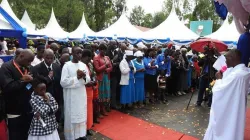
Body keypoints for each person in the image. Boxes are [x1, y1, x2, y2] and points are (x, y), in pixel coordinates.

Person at [204, 49, 250, 140]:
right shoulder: (244, 71)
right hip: (236, 105)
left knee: (228, 128)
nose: (225, 61)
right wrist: (217, 55)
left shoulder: (237, 75)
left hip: (230, 108)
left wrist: (219, 79)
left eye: (226, 58)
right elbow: (227, 70)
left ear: (233, 58)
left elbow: (220, 90)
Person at [0, 49, 35, 140]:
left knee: (27, 135)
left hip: (27, 109)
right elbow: (7, 87)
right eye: (28, 61)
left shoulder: (27, 67)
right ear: (21, 56)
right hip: (14, 111)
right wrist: (22, 81)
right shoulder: (6, 67)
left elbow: (30, 84)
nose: (30, 63)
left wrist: (29, 82)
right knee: (15, 136)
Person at [60, 46, 90, 140]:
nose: (79, 55)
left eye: (81, 53)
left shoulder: (83, 65)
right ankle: (71, 136)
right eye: (77, 53)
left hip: (81, 94)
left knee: (81, 114)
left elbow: (88, 79)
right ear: (72, 54)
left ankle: (81, 134)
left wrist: (84, 77)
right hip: (71, 96)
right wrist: (77, 78)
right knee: (72, 116)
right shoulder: (67, 65)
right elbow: (63, 82)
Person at [31, 49, 62, 122]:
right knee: (46, 116)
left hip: (57, 96)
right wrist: (48, 78)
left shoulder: (57, 66)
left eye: (51, 58)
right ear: (43, 57)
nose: (49, 60)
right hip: (44, 97)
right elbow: (37, 83)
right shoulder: (36, 68)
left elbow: (59, 81)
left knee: (57, 114)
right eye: (47, 58)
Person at [93, 43, 112, 117]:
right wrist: (105, 66)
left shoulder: (107, 57)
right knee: (100, 95)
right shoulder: (96, 58)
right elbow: (97, 69)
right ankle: (100, 110)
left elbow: (111, 67)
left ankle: (104, 108)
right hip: (100, 79)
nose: (104, 51)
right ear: (99, 50)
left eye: (105, 50)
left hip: (107, 78)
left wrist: (107, 70)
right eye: (102, 50)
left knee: (106, 94)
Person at [81, 49, 96, 136]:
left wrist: (93, 81)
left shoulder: (88, 65)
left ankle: (88, 127)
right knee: (84, 111)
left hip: (90, 90)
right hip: (84, 91)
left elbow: (91, 75)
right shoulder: (81, 66)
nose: (89, 60)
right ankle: (84, 128)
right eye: (87, 58)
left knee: (89, 110)